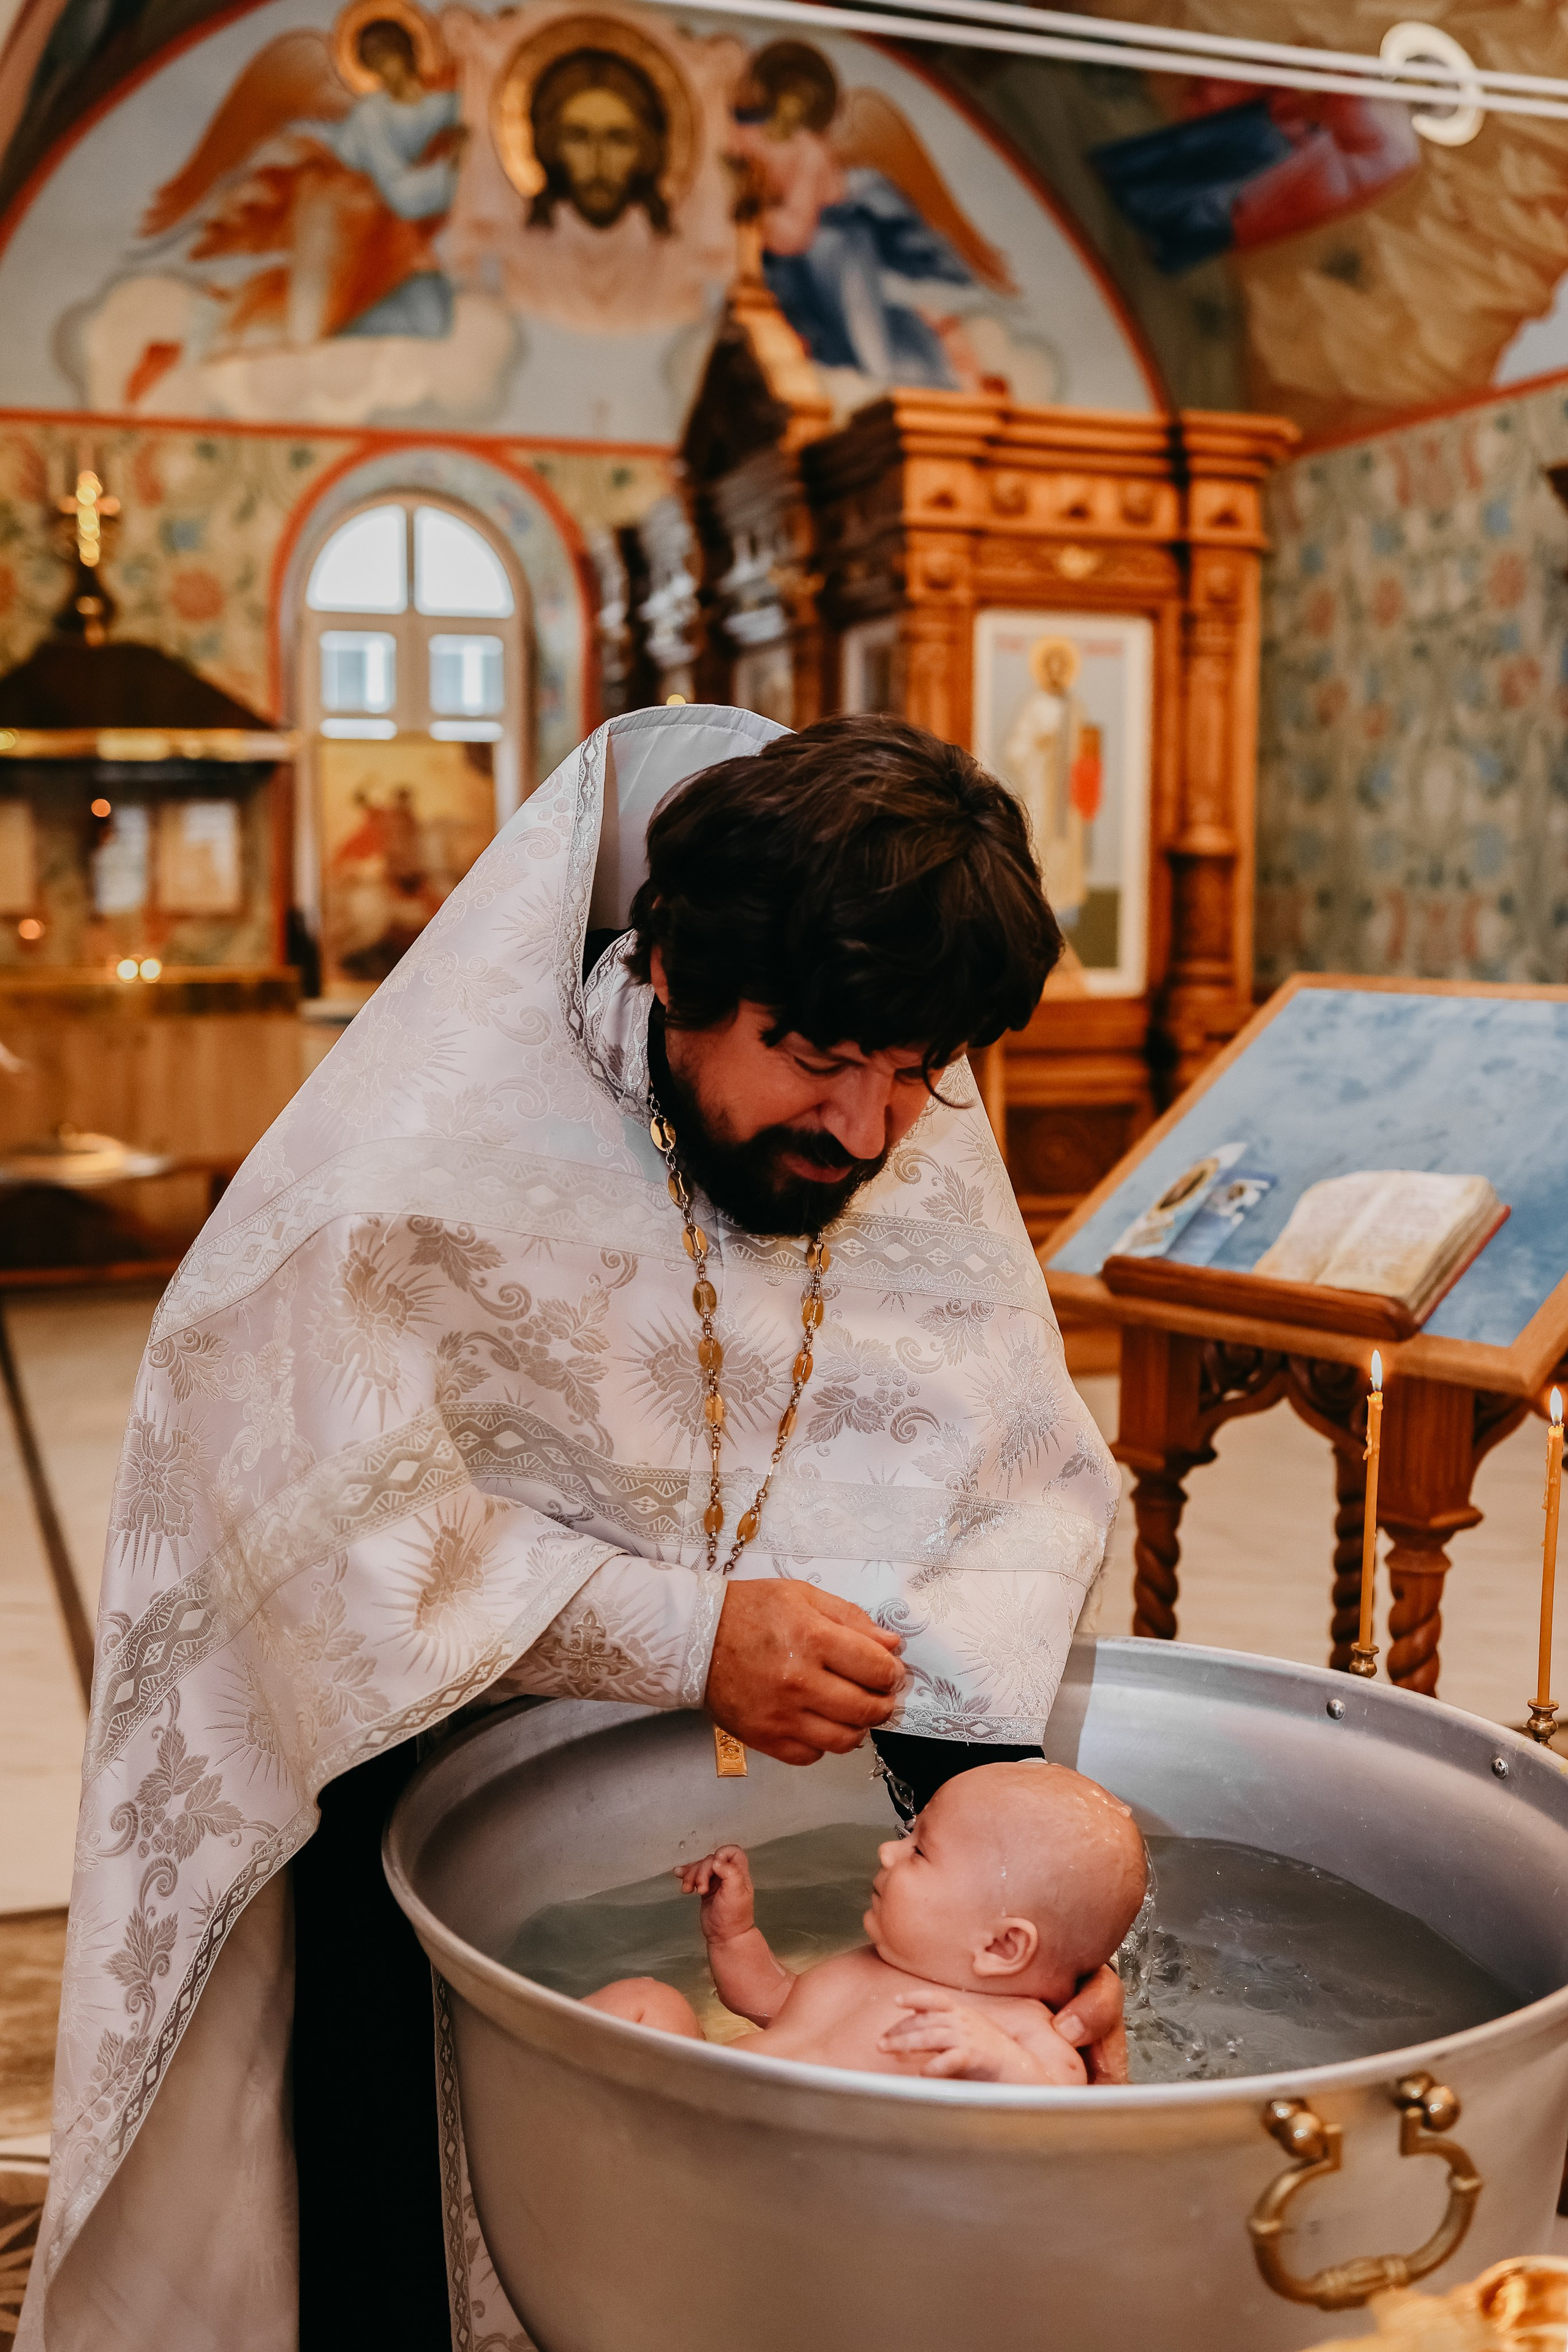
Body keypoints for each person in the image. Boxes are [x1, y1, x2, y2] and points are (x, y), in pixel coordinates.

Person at [21, 705, 1118, 2351]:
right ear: (676, 971)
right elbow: (307, 1529)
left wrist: (1017, 1923)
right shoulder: (429, 1171)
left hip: (800, 1865)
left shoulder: (904, 1124)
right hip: (422, 1811)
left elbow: (1027, 1482)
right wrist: (686, 1633)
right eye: (819, 1063)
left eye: (918, 1075)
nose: (870, 1134)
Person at [587, 1761, 1144, 2086]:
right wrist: (732, 1933)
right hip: (701, 2098)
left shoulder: (1015, 2030)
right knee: (644, 2001)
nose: (886, 1852)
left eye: (919, 1852)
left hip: (787, 2168)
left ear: (1001, 1945)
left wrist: (1002, 2065)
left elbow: (1069, 2119)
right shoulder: (863, 1967)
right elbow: (767, 1999)